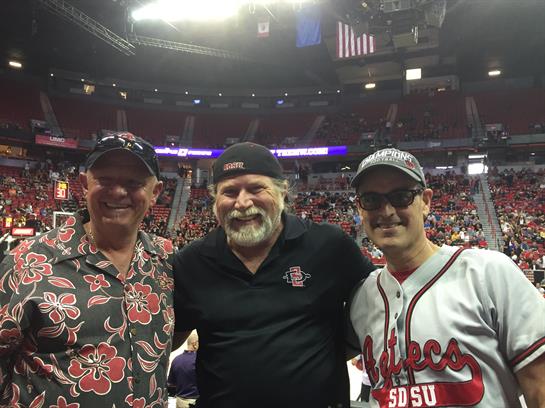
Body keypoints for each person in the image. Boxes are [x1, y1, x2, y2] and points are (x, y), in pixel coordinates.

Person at [172, 142, 375, 408]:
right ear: (215, 200)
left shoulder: (329, 245)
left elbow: (382, 306)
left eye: (256, 188)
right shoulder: (191, 262)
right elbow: (164, 340)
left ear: (282, 191)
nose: (242, 202)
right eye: (229, 192)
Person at [347, 147, 545, 407]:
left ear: (426, 201)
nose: (386, 210)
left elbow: (539, 386)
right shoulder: (361, 298)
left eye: (401, 196)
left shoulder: (488, 273)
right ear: (360, 209)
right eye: (371, 200)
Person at [0, 132, 175, 406]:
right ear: (84, 184)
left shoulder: (166, 260)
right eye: (105, 180)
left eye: (133, 183)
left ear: (156, 193)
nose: (118, 192)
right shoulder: (28, 261)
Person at [168, 331, 199, 408]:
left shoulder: (176, 360)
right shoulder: (200, 360)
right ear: (194, 344)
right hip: (196, 402)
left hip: (180, 402)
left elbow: (171, 383)